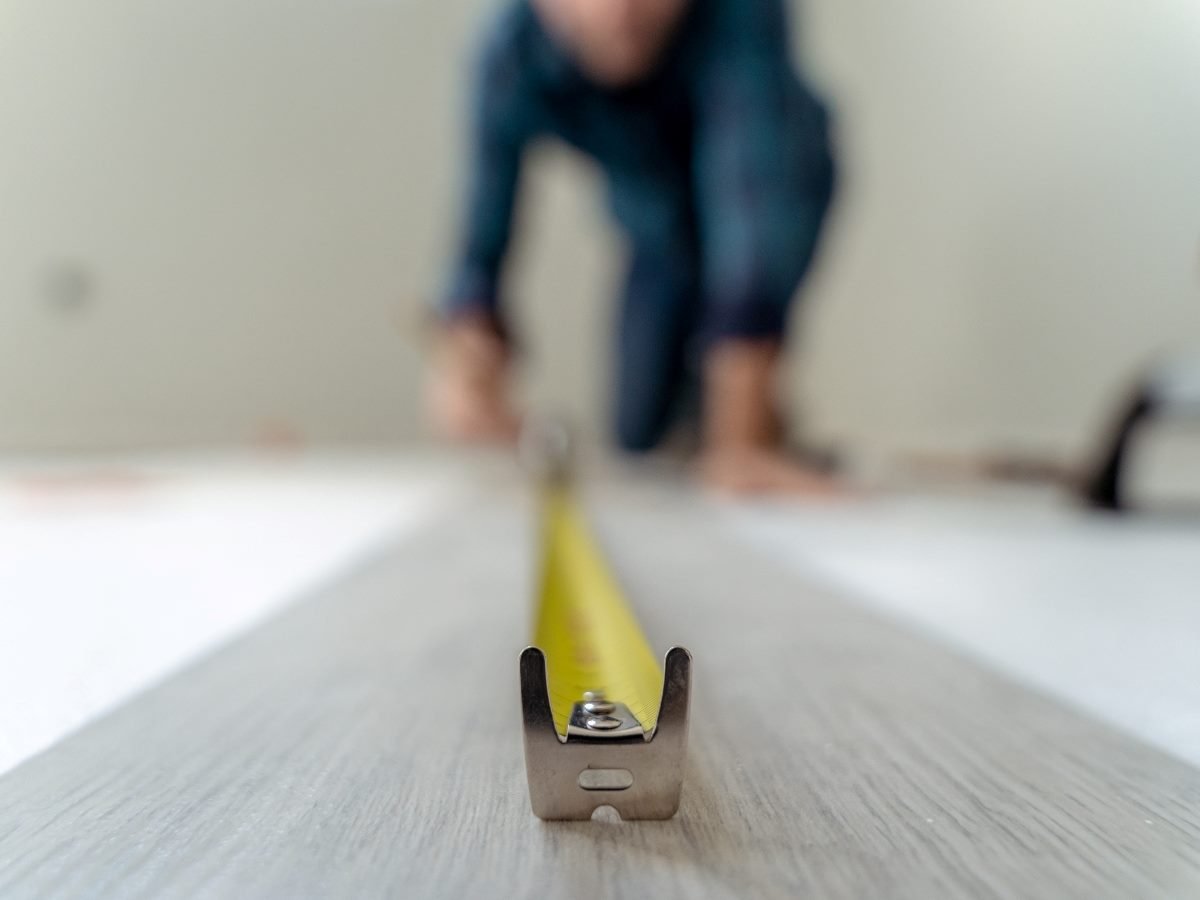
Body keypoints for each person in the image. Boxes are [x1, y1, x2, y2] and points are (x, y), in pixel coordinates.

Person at [429, 0, 838, 494]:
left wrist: (742, 440)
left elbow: (751, 225)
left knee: (734, 430)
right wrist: (468, 354)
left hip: (781, 187)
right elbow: (480, 236)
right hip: (656, 230)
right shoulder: (509, 46)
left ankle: (770, 430)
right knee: (638, 439)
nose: (620, 10)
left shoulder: (741, 16)